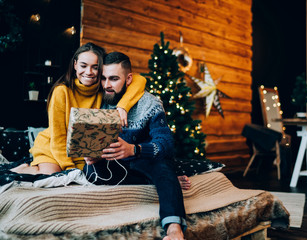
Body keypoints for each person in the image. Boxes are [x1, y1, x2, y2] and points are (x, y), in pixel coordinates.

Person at [83, 52, 187, 240]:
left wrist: (134, 149)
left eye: (114, 79)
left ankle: (174, 229)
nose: (107, 85)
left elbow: (166, 144)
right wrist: (95, 154)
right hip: (118, 163)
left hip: (145, 160)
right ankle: (162, 182)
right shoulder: (101, 101)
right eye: (104, 78)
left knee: (163, 167)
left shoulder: (150, 103)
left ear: (128, 78)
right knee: (89, 170)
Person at [11, 42, 146, 175]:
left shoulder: (102, 88)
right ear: (75, 64)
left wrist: (123, 106)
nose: (89, 72)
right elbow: (58, 137)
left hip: (82, 153)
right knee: (51, 174)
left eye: (95, 67)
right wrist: (70, 169)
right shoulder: (62, 91)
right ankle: (24, 168)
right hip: (53, 146)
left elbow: (139, 80)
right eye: (83, 65)